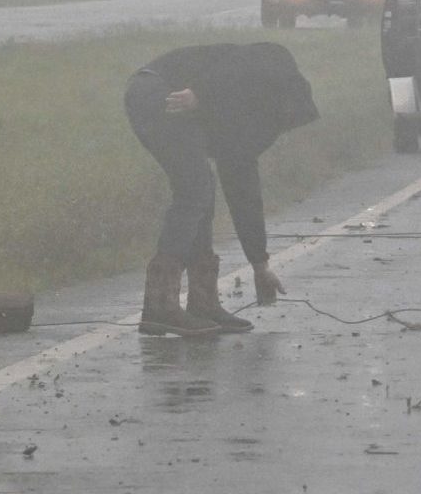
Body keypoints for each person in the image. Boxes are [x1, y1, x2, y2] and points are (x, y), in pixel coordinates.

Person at [125, 42, 320, 336]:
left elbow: (244, 193)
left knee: (202, 190)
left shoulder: (243, 121)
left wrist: (259, 264)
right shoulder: (277, 62)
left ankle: (203, 302)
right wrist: (199, 94)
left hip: (163, 97)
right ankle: (160, 304)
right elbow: (239, 61)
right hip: (158, 90)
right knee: (195, 190)